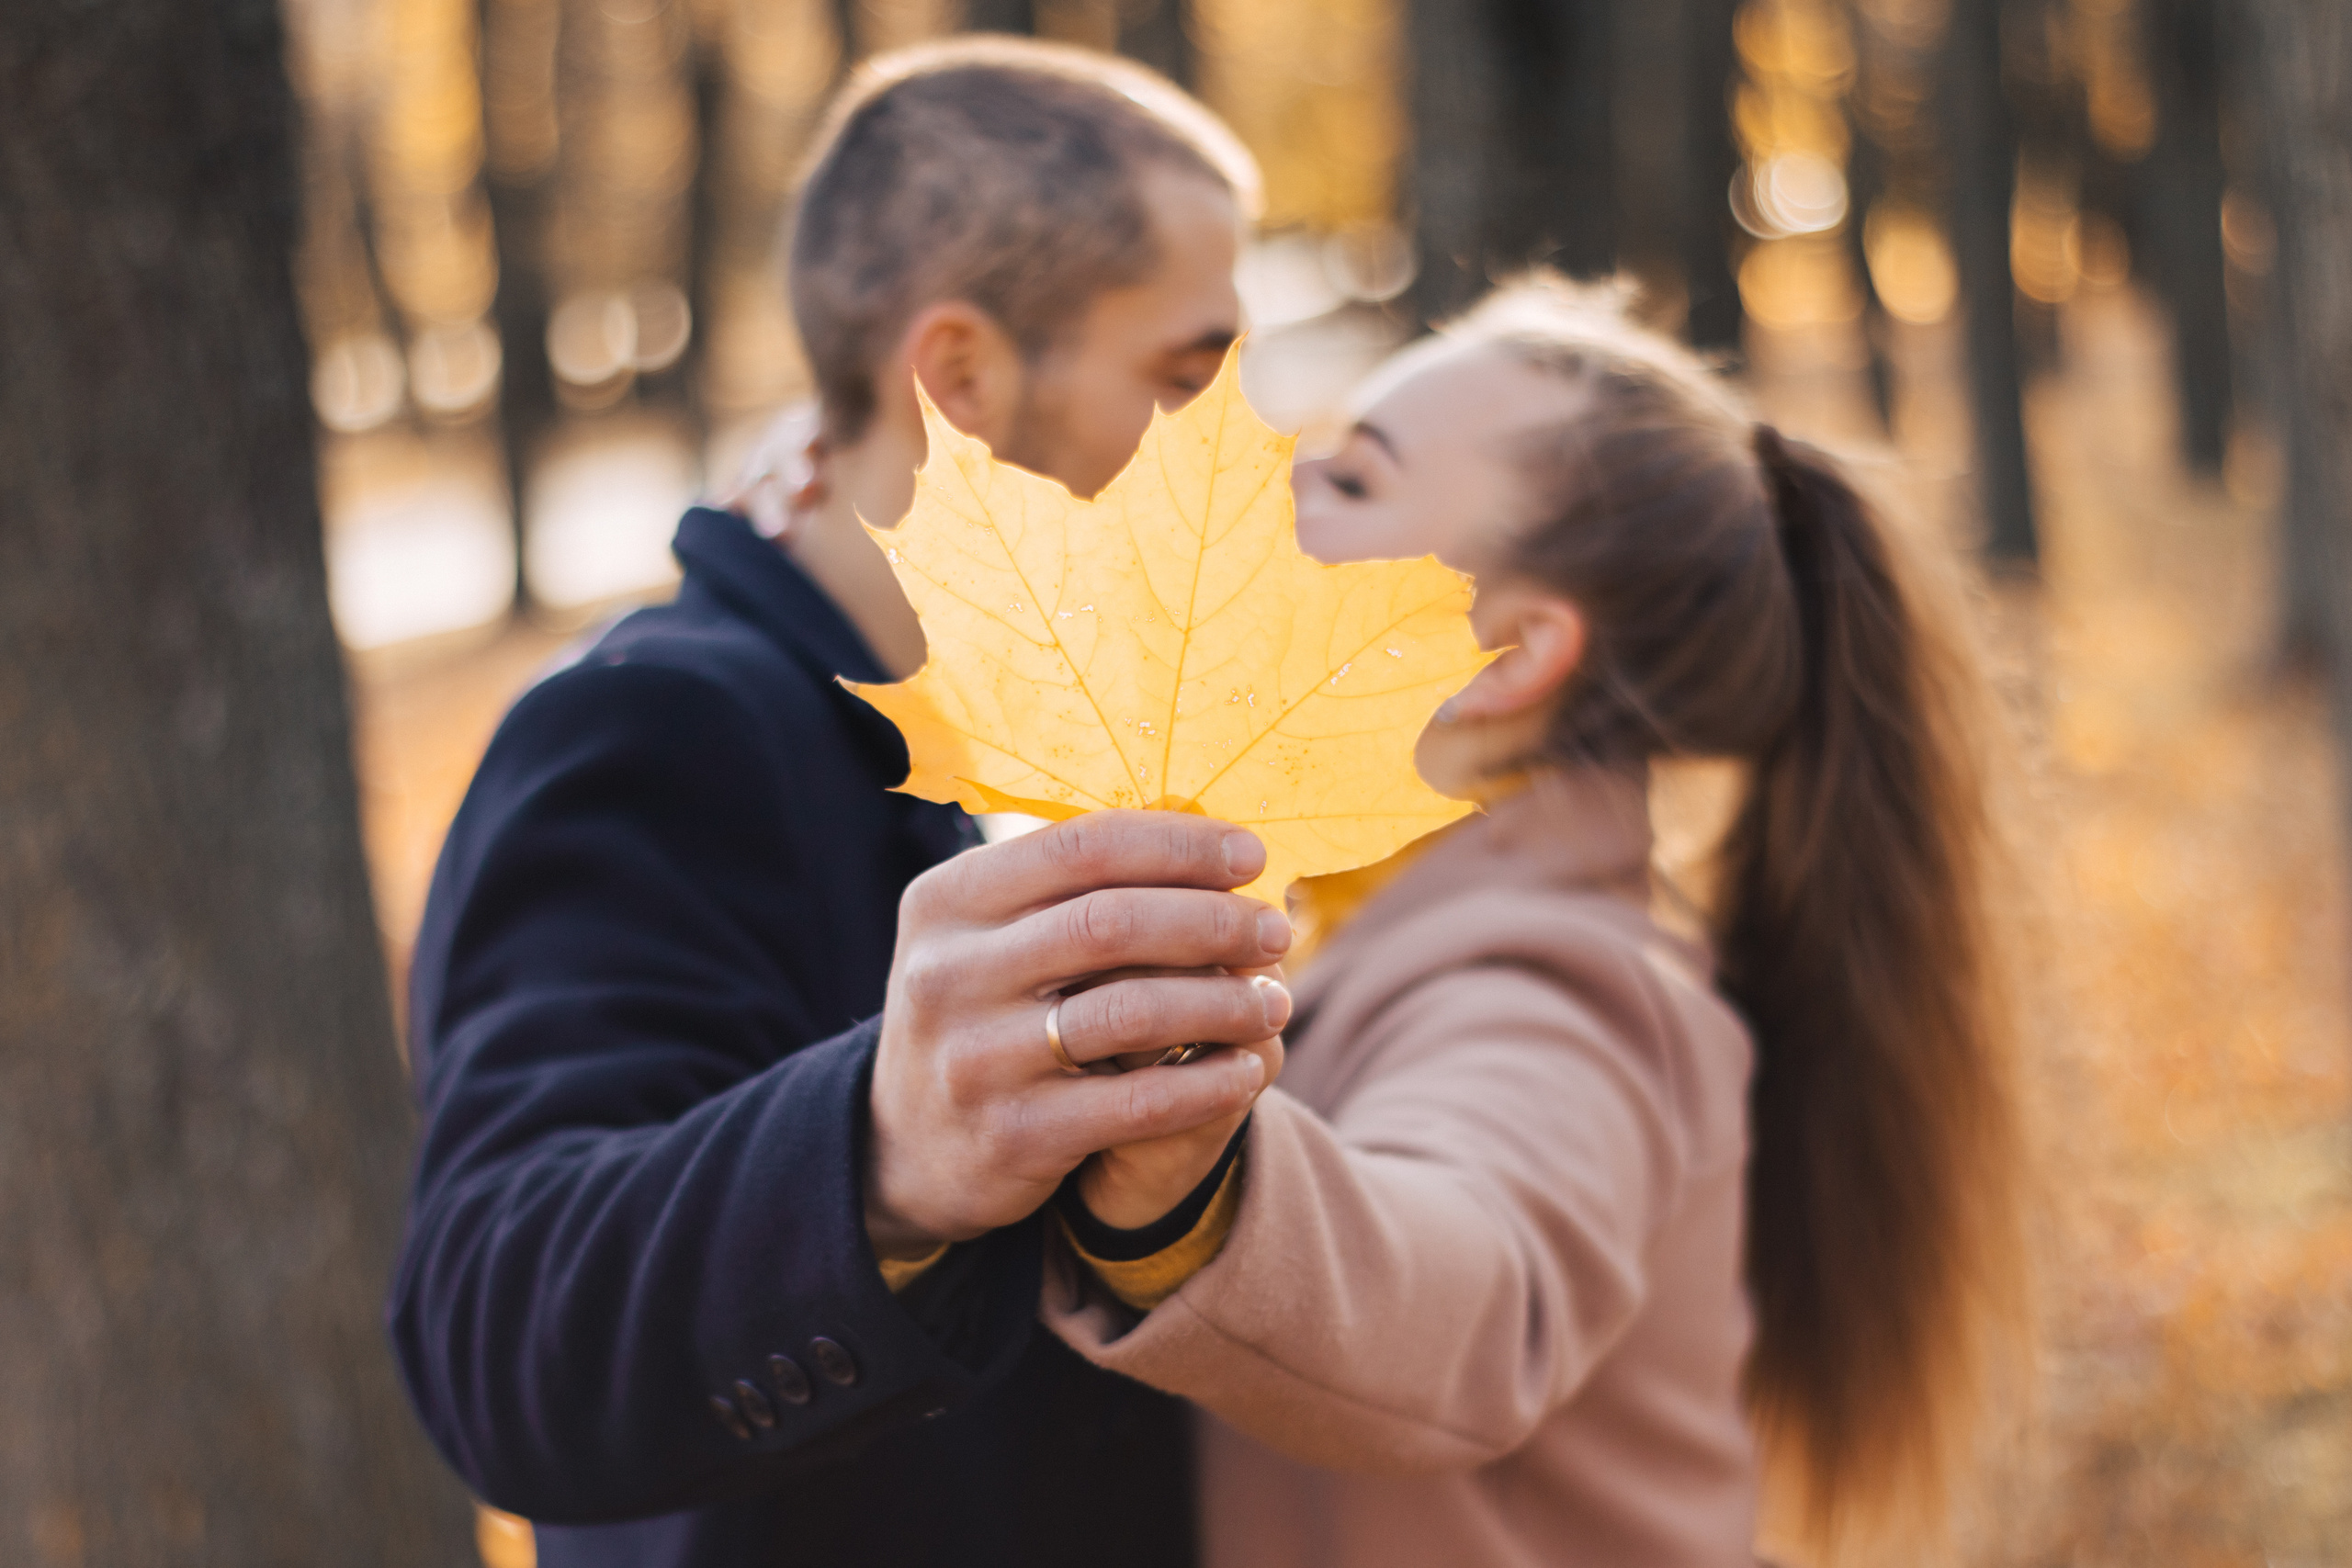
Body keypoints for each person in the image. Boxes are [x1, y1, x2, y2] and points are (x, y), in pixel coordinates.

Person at [390, 39, 1290, 1568]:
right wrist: (880, 1153)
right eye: (1185, 377)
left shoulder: (1003, 730)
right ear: (960, 378)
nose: (1238, 451)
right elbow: (498, 1326)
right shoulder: (658, 725)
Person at [1039, 277, 2029, 1566]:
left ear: (1506, 658)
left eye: (1354, 480)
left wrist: (1196, 1183)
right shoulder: (1357, 916)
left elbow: (1470, 1291)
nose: (1274, 486)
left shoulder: (1562, 989)